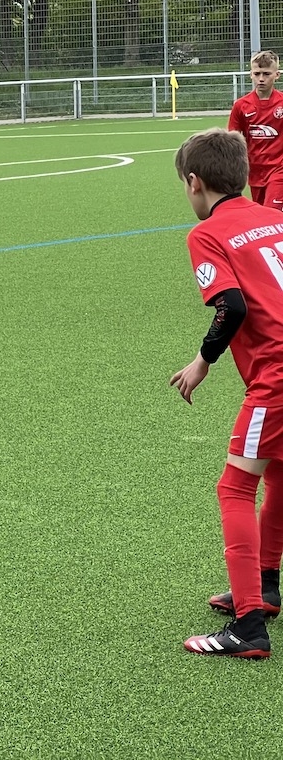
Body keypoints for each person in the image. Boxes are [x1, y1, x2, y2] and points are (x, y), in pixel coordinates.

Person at [171, 127, 283, 659]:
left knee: (235, 487)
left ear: (195, 182)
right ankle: (265, 586)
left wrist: (202, 362)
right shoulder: (274, 217)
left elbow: (231, 306)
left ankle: (248, 628)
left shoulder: (207, 234)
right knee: (278, 473)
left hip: (276, 373)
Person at [228, 50, 283, 211]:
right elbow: (233, 140)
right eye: (257, 74)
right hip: (255, 171)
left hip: (279, 169)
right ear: (251, 74)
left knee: (271, 212)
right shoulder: (241, 106)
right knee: (262, 215)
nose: (261, 79)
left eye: (266, 74)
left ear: (277, 75)